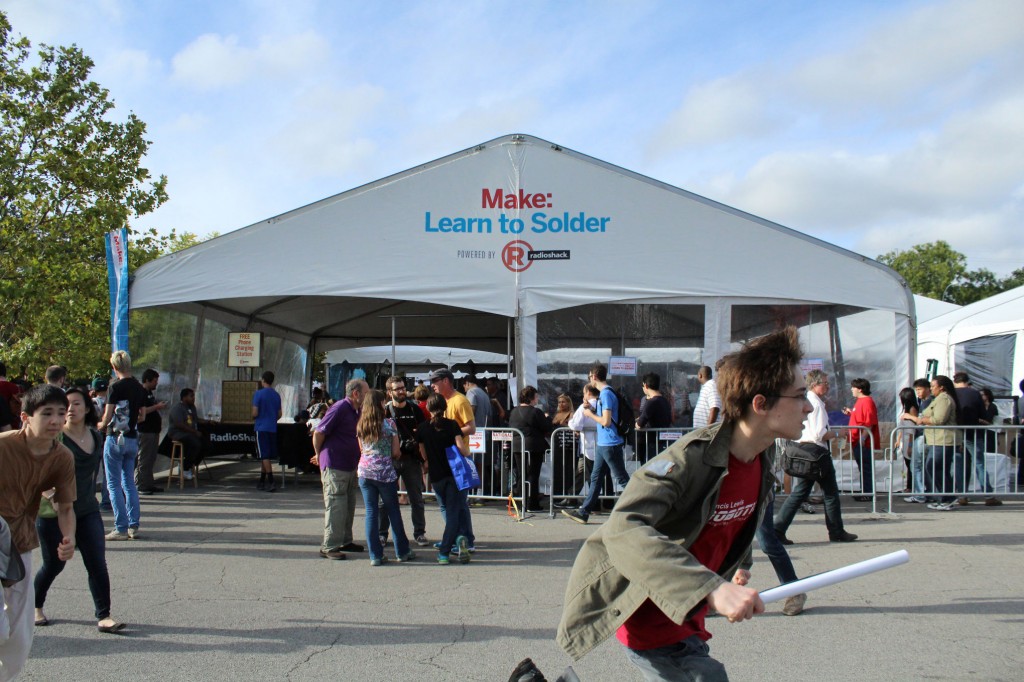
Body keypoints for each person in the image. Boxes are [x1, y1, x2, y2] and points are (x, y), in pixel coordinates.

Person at [557, 327, 811, 679]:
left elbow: (735, 517)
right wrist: (713, 588)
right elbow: (622, 529)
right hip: (649, 619)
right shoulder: (690, 460)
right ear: (760, 404)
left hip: (687, 619)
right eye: (800, 396)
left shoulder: (762, 458)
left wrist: (740, 563)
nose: (809, 406)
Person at [33, 387, 124, 633]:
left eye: (75, 404)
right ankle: (36, 606)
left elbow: (93, 474)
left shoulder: (96, 437)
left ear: (87, 408)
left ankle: (104, 615)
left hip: (86, 509)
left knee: (96, 562)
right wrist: (53, 498)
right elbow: (41, 478)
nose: (70, 410)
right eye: (66, 406)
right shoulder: (55, 439)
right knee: (54, 564)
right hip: (53, 513)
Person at [0, 385, 76, 679]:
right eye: (47, 414)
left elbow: (66, 507)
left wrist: (67, 539)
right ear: (25, 417)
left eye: (61, 413)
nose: (56, 421)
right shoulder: (4, 446)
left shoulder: (62, 457)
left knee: (20, 636)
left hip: (20, 542)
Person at [774, 370, 857, 544]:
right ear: (814, 384)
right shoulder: (816, 404)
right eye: (824, 383)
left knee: (801, 492)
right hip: (817, 453)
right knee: (830, 493)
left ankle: (778, 529)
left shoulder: (806, 400)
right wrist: (837, 433)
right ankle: (836, 531)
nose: (827, 386)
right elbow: (820, 434)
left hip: (805, 450)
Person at [561, 363, 629, 524]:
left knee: (622, 479)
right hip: (603, 443)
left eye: (589, 376)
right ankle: (583, 512)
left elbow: (606, 421)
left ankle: (644, 507)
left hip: (609, 443)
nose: (589, 379)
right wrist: (590, 410)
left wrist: (588, 414)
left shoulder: (606, 394)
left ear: (594, 377)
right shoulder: (605, 394)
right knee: (596, 478)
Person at [356, 389, 415, 566]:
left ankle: (375, 555)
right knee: (393, 511)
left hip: (365, 471)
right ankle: (402, 551)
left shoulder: (361, 425)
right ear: (381, 404)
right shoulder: (389, 424)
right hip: (384, 472)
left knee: (371, 512)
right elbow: (396, 451)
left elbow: (361, 449)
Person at [312, 378, 367, 559]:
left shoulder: (356, 410)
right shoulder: (339, 408)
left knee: (348, 504)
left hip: (349, 464)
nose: (367, 396)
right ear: (355, 393)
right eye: (365, 393)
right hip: (335, 464)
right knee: (336, 505)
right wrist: (319, 455)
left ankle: (345, 540)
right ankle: (329, 546)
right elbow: (319, 432)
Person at [96, 350, 148, 541]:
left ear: (114, 367)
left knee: (113, 483)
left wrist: (100, 424)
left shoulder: (114, 387)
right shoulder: (139, 388)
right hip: (133, 437)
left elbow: (108, 416)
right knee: (129, 482)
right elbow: (142, 415)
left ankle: (120, 526)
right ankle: (134, 524)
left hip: (115, 436)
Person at [416, 393, 472, 565]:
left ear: (428, 408)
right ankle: (447, 548)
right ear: (445, 407)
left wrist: (425, 462)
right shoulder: (452, 425)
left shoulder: (423, 427)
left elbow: (422, 450)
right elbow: (461, 447)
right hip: (454, 472)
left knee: (445, 507)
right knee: (454, 510)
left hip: (436, 474)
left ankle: (456, 539)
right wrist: (467, 454)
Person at [379, 377, 429, 548]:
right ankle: (382, 534)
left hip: (411, 460)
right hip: (390, 460)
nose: (401, 391)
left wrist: (425, 459)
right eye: (397, 389)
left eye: (402, 388)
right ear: (389, 392)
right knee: (385, 499)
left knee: (416, 498)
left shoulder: (415, 409)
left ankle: (420, 533)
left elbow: (423, 435)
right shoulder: (385, 411)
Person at [428, 368, 476, 548]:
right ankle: (452, 538)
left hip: (458, 457)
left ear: (446, 381)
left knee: (459, 503)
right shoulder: (443, 401)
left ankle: (466, 541)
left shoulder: (460, 400)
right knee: (447, 504)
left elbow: (471, 428)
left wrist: (448, 434)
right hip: (445, 457)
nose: (432, 385)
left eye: (435, 381)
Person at [901, 375, 960, 511]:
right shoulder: (937, 399)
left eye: (933, 386)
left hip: (943, 440)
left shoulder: (944, 399)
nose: (932, 388)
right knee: (934, 467)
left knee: (935, 467)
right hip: (936, 439)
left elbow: (939, 419)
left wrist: (920, 419)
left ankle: (947, 498)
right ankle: (944, 497)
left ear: (941, 387)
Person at [953, 372, 999, 506]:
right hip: (974, 433)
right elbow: (983, 414)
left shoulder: (951, 394)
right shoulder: (974, 394)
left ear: (955, 381)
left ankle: (962, 495)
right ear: (967, 381)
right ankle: (988, 496)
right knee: (979, 464)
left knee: (961, 466)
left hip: (957, 433)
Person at [508, 385, 555, 512]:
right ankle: (532, 503)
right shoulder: (536, 412)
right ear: (531, 398)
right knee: (533, 474)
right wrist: (548, 418)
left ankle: (519, 502)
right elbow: (546, 427)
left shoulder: (514, 411)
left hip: (517, 445)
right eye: (536, 397)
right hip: (533, 446)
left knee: (520, 474)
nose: (537, 399)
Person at [842, 378, 880, 501]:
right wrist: (850, 413)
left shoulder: (867, 401)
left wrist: (863, 437)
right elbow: (861, 418)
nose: (851, 389)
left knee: (865, 467)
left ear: (860, 389)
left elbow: (869, 422)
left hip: (862, 440)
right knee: (863, 467)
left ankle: (868, 493)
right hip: (856, 439)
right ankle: (865, 490)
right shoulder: (860, 401)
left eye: (853, 387)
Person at [135, 369, 167, 495]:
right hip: (145, 430)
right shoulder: (141, 393)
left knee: (151, 458)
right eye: (154, 381)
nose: (156, 384)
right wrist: (156, 407)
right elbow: (141, 411)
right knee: (144, 458)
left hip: (153, 430)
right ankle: (141, 484)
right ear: (147, 380)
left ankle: (149, 483)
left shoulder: (149, 393)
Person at [252, 371, 282, 492]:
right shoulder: (276, 395)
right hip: (272, 427)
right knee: (267, 456)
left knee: (264, 455)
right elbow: (280, 414)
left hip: (261, 427)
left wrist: (255, 417)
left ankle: (271, 481)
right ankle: (261, 480)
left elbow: (255, 412)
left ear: (263, 380)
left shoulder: (258, 394)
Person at [895, 388, 924, 502]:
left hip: (910, 438)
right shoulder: (906, 410)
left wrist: (911, 445)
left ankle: (911, 487)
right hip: (905, 438)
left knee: (911, 464)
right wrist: (898, 439)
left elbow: (912, 430)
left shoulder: (912, 409)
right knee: (908, 464)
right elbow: (903, 427)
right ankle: (909, 486)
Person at [635, 372, 672, 462]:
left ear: (646, 385)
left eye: (643, 385)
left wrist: (636, 423)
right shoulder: (665, 401)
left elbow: (640, 424)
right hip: (661, 442)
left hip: (651, 443)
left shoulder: (652, 402)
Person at [168, 388, 204, 475]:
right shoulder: (177, 408)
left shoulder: (192, 407)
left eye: (194, 396)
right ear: (184, 397)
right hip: (178, 433)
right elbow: (179, 425)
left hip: (189, 433)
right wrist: (195, 432)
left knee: (206, 445)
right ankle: (185, 467)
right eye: (191, 396)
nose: (193, 398)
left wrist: (208, 421)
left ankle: (189, 463)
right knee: (196, 443)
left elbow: (196, 419)